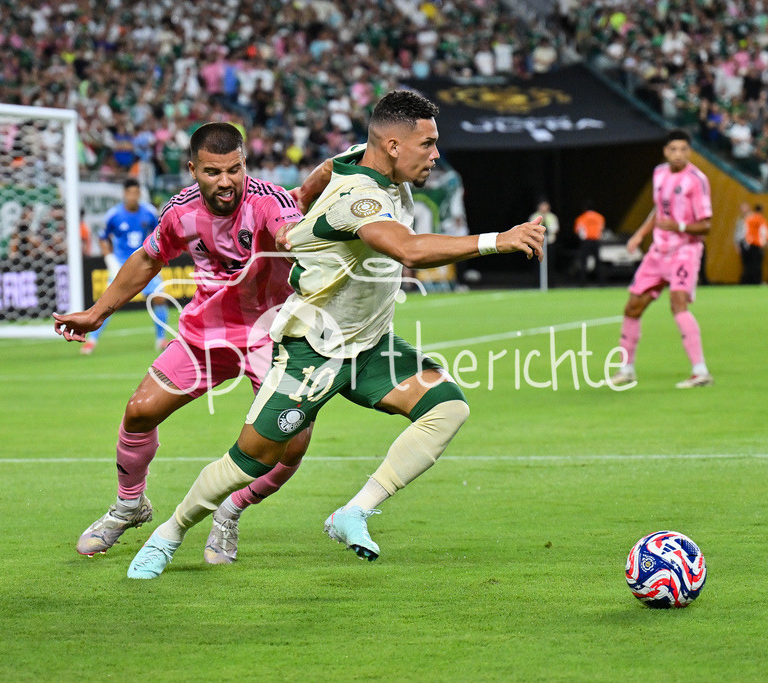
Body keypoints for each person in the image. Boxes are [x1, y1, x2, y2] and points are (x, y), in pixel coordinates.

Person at [125, 90, 546, 579]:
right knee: (250, 460)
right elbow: (408, 250)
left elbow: (329, 166)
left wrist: (299, 205)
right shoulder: (359, 200)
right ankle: (170, 532)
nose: (436, 154)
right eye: (428, 144)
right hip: (314, 350)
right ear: (392, 145)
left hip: (369, 346)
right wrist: (500, 240)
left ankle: (354, 511)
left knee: (448, 407)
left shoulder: (360, 163)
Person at [53, 123, 315, 559]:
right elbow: (147, 258)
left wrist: (293, 238)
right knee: (139, 411)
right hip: (206, 332)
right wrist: (96, 314)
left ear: (245, 163)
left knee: (292, 442)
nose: (227, 181)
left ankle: (230, 511)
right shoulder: (180, 211)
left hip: (274, 333)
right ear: (193, 169)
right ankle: (129, 504)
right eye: (214, 172)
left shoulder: (271, 201)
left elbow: (288, 226)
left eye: (235, 169)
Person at [610, 129, 714, 389]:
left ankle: (700, 371)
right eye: (673, 149)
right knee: (632, 307)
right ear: (665, 151)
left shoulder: (697, 180)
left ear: (689, 152)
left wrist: (678, 226)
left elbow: (706, 224)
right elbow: (659, 210)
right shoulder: (659, 174)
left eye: (683, 150)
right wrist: (639, 234)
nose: (678, 154)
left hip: (685, 251)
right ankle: (626, 369)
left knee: (678, 303)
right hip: (658, 252)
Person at [81, 178, 167, 354]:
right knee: (107, 303)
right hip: (121, 264)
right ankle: (92, 341)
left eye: (137, 193)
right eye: (131, 193)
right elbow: (103, 238)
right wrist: (110, 260)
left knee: (159, 297)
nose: (134, 196)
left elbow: (158, 233)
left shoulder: (149, 212)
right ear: (125, 194)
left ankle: (161, 339)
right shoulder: (114, 215)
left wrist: (157, 255)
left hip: (144, 262)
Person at [529, 198, 559, 286]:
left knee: (550, 264)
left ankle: (551, 284)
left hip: (549, 243)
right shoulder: (534, 216)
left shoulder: (552, 217)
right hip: (538, 244)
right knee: (537, 265)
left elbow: (556, 229)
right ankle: (537, 284)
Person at [740, 204, 768, 285]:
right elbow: (764, 232)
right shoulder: (762, 220)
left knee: (748, 265)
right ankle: (757, 281)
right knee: (757, 265)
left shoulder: (748, 219)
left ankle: (747, 282)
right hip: (757, 244)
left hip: (747, 244)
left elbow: (744, 230)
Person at [574, 201, 604, 284]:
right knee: (598, 262)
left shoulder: (581, 218)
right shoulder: (600, 217)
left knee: (584, 262)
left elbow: (578, 230)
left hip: (586, 241)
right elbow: (601, 228)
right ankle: (601, 282)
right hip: (596, 241)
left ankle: (582, 282)